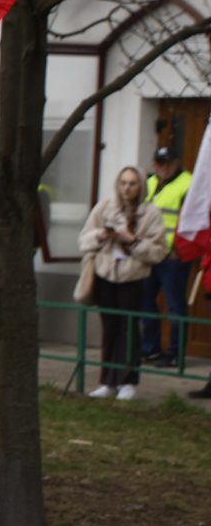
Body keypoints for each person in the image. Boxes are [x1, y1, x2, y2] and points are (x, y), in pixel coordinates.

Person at [81, 165, 167, 401]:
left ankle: (128, 380)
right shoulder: (105, 207)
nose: (127, 188)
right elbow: (84, 238)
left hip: (133, 277)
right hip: (105, 274)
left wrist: (133, 241)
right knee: (110, 327)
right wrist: (101, 235)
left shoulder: (150, 213)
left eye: (132, 183)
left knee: (129, 330)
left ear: (141, 186)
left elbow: (158, 252)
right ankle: (107, 380)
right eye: (123, 183)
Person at [144, 144, 193, 365]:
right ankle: (151, 348)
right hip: (149, 253)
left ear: (176, 163)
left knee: (175, 306)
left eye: (168, 163)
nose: (164, 167)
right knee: (144, 301)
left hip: (174, 256)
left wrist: (179, 250)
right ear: (155, 164)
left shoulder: (188, 184)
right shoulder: (150, 182)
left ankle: (174, 354)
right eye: (160, 163)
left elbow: (193, 221)